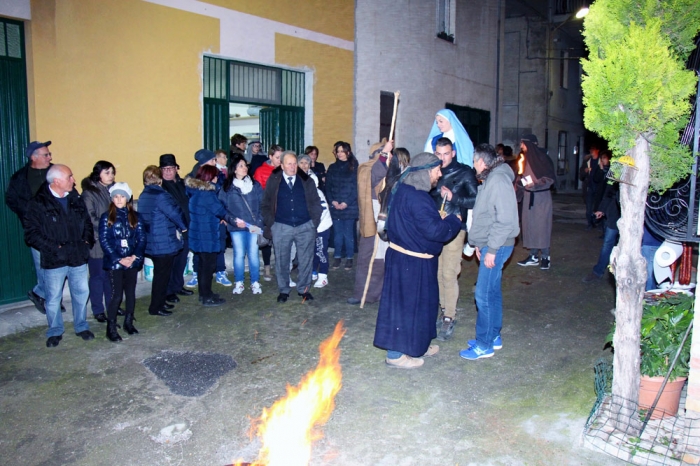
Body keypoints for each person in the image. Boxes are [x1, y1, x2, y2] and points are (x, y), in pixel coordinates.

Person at [373, 152, 462, 369]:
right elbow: (434, 231)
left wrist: (434, 219)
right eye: (436, 170)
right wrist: (453, 220)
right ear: (424, 172)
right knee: (403, 309)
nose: (439, 175)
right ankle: (395, 355)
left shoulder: (404, 190)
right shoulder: (417, 197)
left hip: (411, 260)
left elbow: (419, 222)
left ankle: (419, 345)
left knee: (424, 307)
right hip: (410, 264)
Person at [24, 164, 95, 347]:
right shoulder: (38, 203)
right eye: (69, 177)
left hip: (78, 256)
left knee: (81, 293)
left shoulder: (75, 198)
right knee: (53, 298)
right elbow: (31, 234)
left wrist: (87, 242)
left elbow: (86, 222)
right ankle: (55, 331)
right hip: (54, 259)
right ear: (57, 181)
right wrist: (55, 248)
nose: (73, 179)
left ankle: (81, 326)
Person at [460, 144, 520, 360]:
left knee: (482, 294)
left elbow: (504, 220)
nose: (473, 165)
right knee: (492, 291)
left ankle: (483, 344)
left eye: (474, 161)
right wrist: (478, 243)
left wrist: (491, 249)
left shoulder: (497, 181)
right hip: (490, 243)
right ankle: (493, 335)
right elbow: (485, 214)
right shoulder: (491, 178)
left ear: (482, 162)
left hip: (498, 244)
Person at [429, 138, 478, 341]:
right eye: (438, 154)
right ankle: (443, 309)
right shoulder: (432, 170)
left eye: (446, 153)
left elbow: (476, 198)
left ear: (453, 152)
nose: (442, 158)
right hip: (435, 227)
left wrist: (454, 199)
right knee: (438, 273)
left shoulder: (465, 172)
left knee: (449, 273)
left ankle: (450, 315)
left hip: (455, 228)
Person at [261, 151, 322, 303]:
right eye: (289, 163)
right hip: (281, 226)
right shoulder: (274, 181)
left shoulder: (306, 181)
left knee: (306, 259)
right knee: (282, 260)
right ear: (281, 165)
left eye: (295, 163)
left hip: (305, 226)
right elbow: (265, 204)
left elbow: (316, 203)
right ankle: (284, 290)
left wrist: (313, 223)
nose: (293, 166)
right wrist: (272, 224)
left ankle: (304, 289)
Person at [5, 140, 54, 313]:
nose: (50, 157)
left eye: (49, 154)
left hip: (57, 226)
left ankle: (46, 294)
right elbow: (11, 199)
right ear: (34, 157)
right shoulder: (20, 177)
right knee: (42, 264)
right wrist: (29, 215)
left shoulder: (56, 171)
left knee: (57, 262)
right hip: (37, 228)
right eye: (46, 154)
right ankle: (44, 294)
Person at [347, 139, 395, 305]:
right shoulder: (366, 168)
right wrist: (383, 155)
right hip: (371, 218)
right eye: (383, 154)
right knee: (368, 257)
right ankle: (363, 294)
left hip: (386, 218)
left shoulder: (391, 170)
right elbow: (375, 175)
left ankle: (382, 294)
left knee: (384, 258)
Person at [138, 165, 188, 317]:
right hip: (163, 240)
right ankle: (156, 307)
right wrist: (183, 226)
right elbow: (174, 212)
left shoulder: (144, 195)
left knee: (160, 274)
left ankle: (160, 301)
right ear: (159, 179)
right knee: (162, 276)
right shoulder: (161, 195)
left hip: (152, 239)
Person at [99, 182, 146, 342]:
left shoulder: (136, 217)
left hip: (131, 261)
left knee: (131, 293)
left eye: (122, 196)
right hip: (116, 262)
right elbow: (105, 240)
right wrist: (119, 258)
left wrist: (134, 257)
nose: (119, 199)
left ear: (128, 198)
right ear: (112, 199)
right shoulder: (107, 217)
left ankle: (128, 321)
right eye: (116, 197)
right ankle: (111, 327)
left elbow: (141, 239)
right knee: (116, 295)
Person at [186, 149, 231, 287]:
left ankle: (219, 272)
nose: (215, 162)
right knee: (203, 254)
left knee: (218, 247)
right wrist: (222, 212)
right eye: (212, 160)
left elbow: (224, 194)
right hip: (204, 221)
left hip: (217, 219)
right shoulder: (196, 181)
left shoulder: (218, 176)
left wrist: (222, 212)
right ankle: (200, 280)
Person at [219, 156, 264, 295]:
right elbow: (221, 208)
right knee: (238, 255)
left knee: (253, 254)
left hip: (253, 226)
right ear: (234, 169)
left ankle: (255, 282)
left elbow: (263, 205)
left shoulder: (255, 185)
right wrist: (232, 220)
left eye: (245, 165)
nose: (244, 168)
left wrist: (259, 222)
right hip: (236, 227)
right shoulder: (227, 187)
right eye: (241, 166)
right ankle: (239, 282)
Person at [81, 160, 115, 323]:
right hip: (96, 241)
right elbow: (89, 217)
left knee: (111, 276)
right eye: (107, 172)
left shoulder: (113, 190)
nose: (111, 176)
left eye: (112, 172)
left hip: (112, 240)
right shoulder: (89, 193)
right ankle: (98, 309)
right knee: (97, 277)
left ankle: (112, 306)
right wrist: (108, 225)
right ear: (98, 174)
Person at [158, 154, 195, 303]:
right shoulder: (161, 187)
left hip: (186, 226)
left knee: (181, 260)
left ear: (176, 169)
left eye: (170, 168)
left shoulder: (182, 183)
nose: (167, 172)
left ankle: (178, 285)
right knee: (171, 262)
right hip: (171, 230)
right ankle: (169, 291)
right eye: (164, 169)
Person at [516, 134, 555, 270]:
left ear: (529, 144)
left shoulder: (543, 159)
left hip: (541, 198)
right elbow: (521, 177)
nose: (521, 146)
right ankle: (533, 256)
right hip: (528, 198)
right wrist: (518, 189)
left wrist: (536, 185)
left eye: (523, 143)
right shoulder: (524, 160)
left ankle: (545, 257)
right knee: (530, 226)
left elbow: (549, 179)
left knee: (542, 227)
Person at [298, 153, 333, 288]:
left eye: (307, 163)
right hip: (307, 225)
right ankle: (313, 271)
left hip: (320, 225)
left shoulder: (314, 188)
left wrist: (314, 225)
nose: (304, 165)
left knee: (320, 249)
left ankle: (323, 275)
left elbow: (321, 209)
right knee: (310, 250)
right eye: (301, 163)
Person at [326, 141, 359, 270]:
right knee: (338, 234)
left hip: (349, 206)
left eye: (342, 151)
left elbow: (356, 188)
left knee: (348, 234)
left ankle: (349, 257)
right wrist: (332, 201)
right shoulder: (332, 167)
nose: (339, 154)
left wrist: (346, 202)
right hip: (336, 206)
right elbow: (328, 186)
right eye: (337, 151)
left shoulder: (354, 167)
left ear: (348, 152)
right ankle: (337, 256)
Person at [254, 144, 283, 281]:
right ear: (270, 157)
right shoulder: (261, 171)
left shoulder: (285, 169)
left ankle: (280, 267)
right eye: (277, 157)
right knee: (267, 237)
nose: (280, 160)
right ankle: (266, 267)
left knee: (281, 239)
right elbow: (258, 192)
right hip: (267, 209)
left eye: (281, 157)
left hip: (282, 209)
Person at [582, 180, 620, 283]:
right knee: (608, 243)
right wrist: (601, 209)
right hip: (615, 214)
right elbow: (609, 192)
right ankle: (598, 272)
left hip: (631, 216)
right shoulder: (616, 169)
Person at [579, 144, 601, 230]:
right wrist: (584, 171)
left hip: (599, 187)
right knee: (589, 207)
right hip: (589, 187)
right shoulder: (587, 161)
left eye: (593, 149)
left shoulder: (601, 160)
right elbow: (581, 175)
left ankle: (597, 223)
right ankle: (590, 224)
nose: (591, 151)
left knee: (597, 206)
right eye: (590, 150)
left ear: (597, 150)